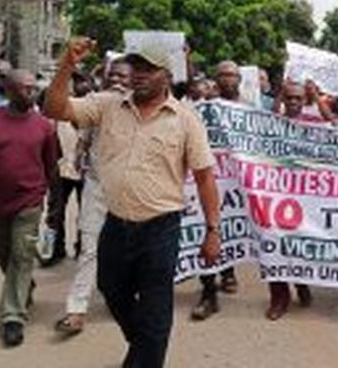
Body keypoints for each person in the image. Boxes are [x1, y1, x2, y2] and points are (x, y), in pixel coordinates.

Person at [45, 38, 221, 368]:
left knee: (156, 307)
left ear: (166, 75)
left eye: (148, 69)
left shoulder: (185, 119)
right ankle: (143, 346)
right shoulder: (108, 104)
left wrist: (213, 231)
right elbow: (54, 109)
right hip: (115, 222)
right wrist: (66, 64)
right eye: (135, 67)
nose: (138, 75)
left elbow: (205, 177)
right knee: (110, 288)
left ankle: (143, 357)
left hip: (160, 228)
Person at [0, 69, 58, 347]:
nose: (30, 93)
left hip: (29, 201)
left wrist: (56, 201)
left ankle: (13, 317)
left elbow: (51, 164)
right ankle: (23, 286)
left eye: (33, 88)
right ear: (8, 90)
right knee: (5, 254)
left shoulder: (44, 125)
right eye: (24, 88)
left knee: (22, 256)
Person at [54, 58, 132, 337]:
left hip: (132, 193)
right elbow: (78, 130)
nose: (117, 82)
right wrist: (78, 155)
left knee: (127, 252)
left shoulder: (143, 109)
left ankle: (125, 301)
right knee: (89, 248)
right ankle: (76, 309)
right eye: (113, 76)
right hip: (96, 187)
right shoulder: (94, 103)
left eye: (124, 77)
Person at [190, 60, 241, 322]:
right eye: (222, 75)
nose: (227, 79)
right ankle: (208, 292)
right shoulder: (203, 108)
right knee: (206, 229)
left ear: (239, 79)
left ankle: (229, 272)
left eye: (232, 75)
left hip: (235, 184)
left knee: (230, 227)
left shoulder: (247, 109)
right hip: (208, 180)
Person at [265, 81, 315, 321]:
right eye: (289, 98)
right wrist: (278, 96)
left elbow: (336, 132)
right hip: (276, 197)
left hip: (307, 199)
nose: (293, 103)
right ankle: (279, 298)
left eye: (298, 98)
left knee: (301, 244)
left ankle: (302, 283)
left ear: (305, 101)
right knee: (274, 245)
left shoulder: (316, 125)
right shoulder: (272, 124)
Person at [41, 71, 93, 267]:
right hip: (61, 168)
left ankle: (83, 250)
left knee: (86, 214)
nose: (80, 85)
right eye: (76, 81)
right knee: (54, 213)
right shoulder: (61, 107)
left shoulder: (96, 108)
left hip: (86, 171)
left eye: (84, 80)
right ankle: (51, 250)